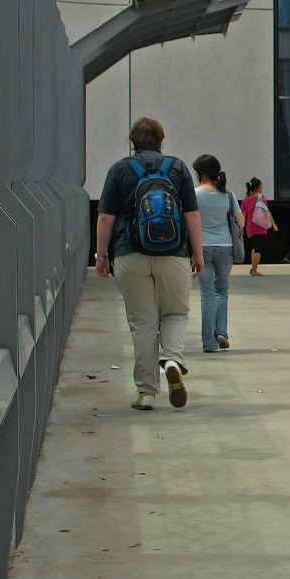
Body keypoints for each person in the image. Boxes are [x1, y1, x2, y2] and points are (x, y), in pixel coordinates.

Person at [94, 116, 200, 410]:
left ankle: (146, 392)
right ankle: (172, 361)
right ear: (161, 140)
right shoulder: (177, 168)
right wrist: (197, 253)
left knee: (143, 322)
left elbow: (105, 217)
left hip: (130, 254)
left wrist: (102, 256)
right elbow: (192, 215)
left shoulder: (119, 170)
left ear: (133, 141)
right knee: (175, 314)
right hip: (174, 254)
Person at [192, 155, 240, 353]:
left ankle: (209, 343)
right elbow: (241, 221)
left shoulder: (194, 194)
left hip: (203, 247)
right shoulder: (228, 195)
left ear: (201, 173)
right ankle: (221, 332)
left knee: (207, 294)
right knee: (222, 291)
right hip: (225, 247)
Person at [242, 177, 275, 277]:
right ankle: (254, 270)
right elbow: (267, 212)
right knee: (258, 248)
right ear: (257, 187)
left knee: (255, 247)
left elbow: (243, 215)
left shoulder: (245, 200)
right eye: (261, 186)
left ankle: (253, 267)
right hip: (260, 227)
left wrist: (241, 227)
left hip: (250, 228)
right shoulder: (261, 198)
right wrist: (273, 224)